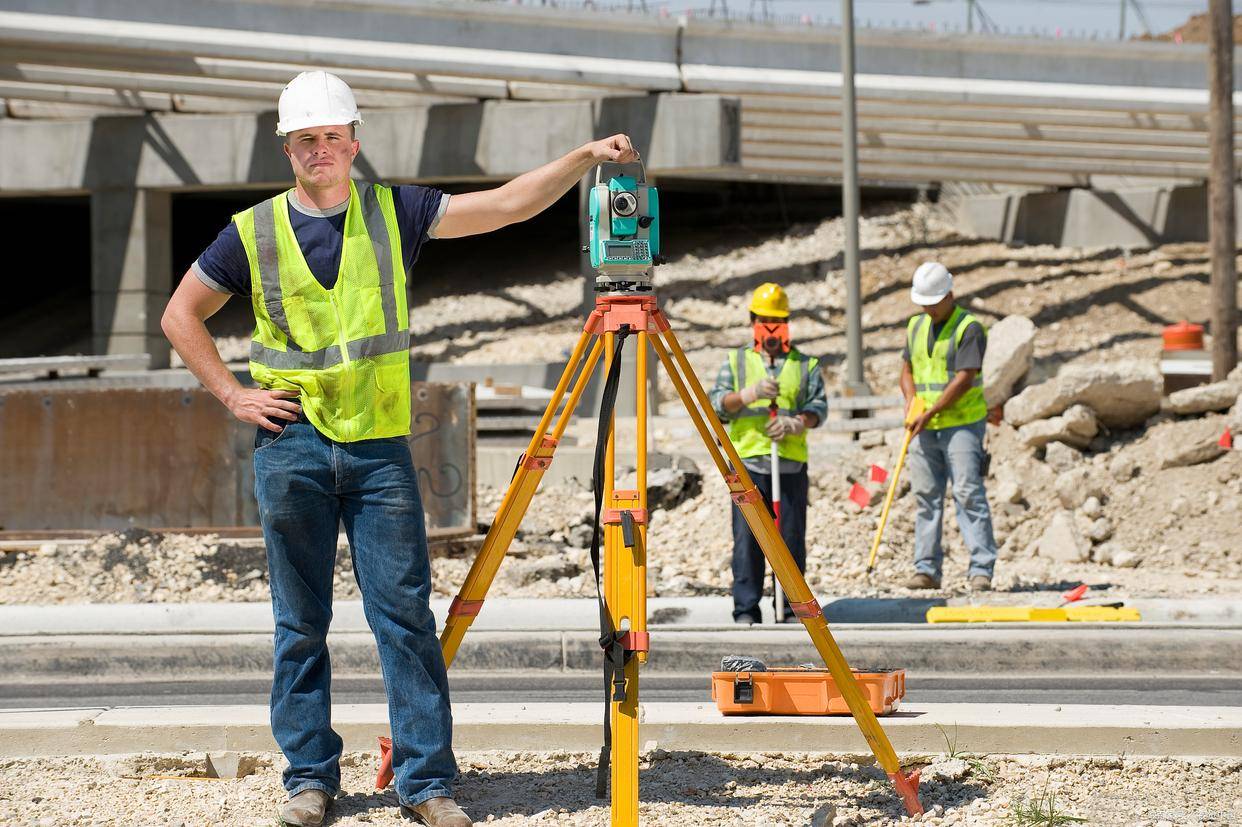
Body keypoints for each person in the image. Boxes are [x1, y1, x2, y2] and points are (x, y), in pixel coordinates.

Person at [161, 70, 639, 827]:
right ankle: (309, 780)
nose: (321, 149)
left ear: (355, 140)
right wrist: (231, 393)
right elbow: (181, 313)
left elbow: (506, 206)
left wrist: (580, 157)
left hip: (379, 450)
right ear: (288, 147)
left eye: (332, 136)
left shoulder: (397, 212)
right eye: (306, 138)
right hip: (293, 446)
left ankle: (425, 782)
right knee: (299, 622)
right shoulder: (250, 232)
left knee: (405, 618)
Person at [709, 282, 827, 624]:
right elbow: (718, 405)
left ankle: (791, 607)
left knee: (789, 539)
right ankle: (746, 609)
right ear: (753, 320)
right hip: (747, 464)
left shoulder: (805, 365)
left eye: (778, 320)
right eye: (765, 319)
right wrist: (747, 394)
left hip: (788, 464)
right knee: (747, 540)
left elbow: (818, 407)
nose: (771, 327)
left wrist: (796, 423)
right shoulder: (736, 362)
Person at [899, 262, 999, 592]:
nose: (928, 308)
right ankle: (926, 569)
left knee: (968, 493)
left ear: (950, 295)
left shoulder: (969, 328)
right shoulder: (915, 326)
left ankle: (981, 568)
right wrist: (912, 403)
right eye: (924, 302)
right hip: (924, 426)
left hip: (962, 425)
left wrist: (929, 413)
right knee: (927, 496)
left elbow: (965, 378)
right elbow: (907, 371)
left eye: (934, 302)